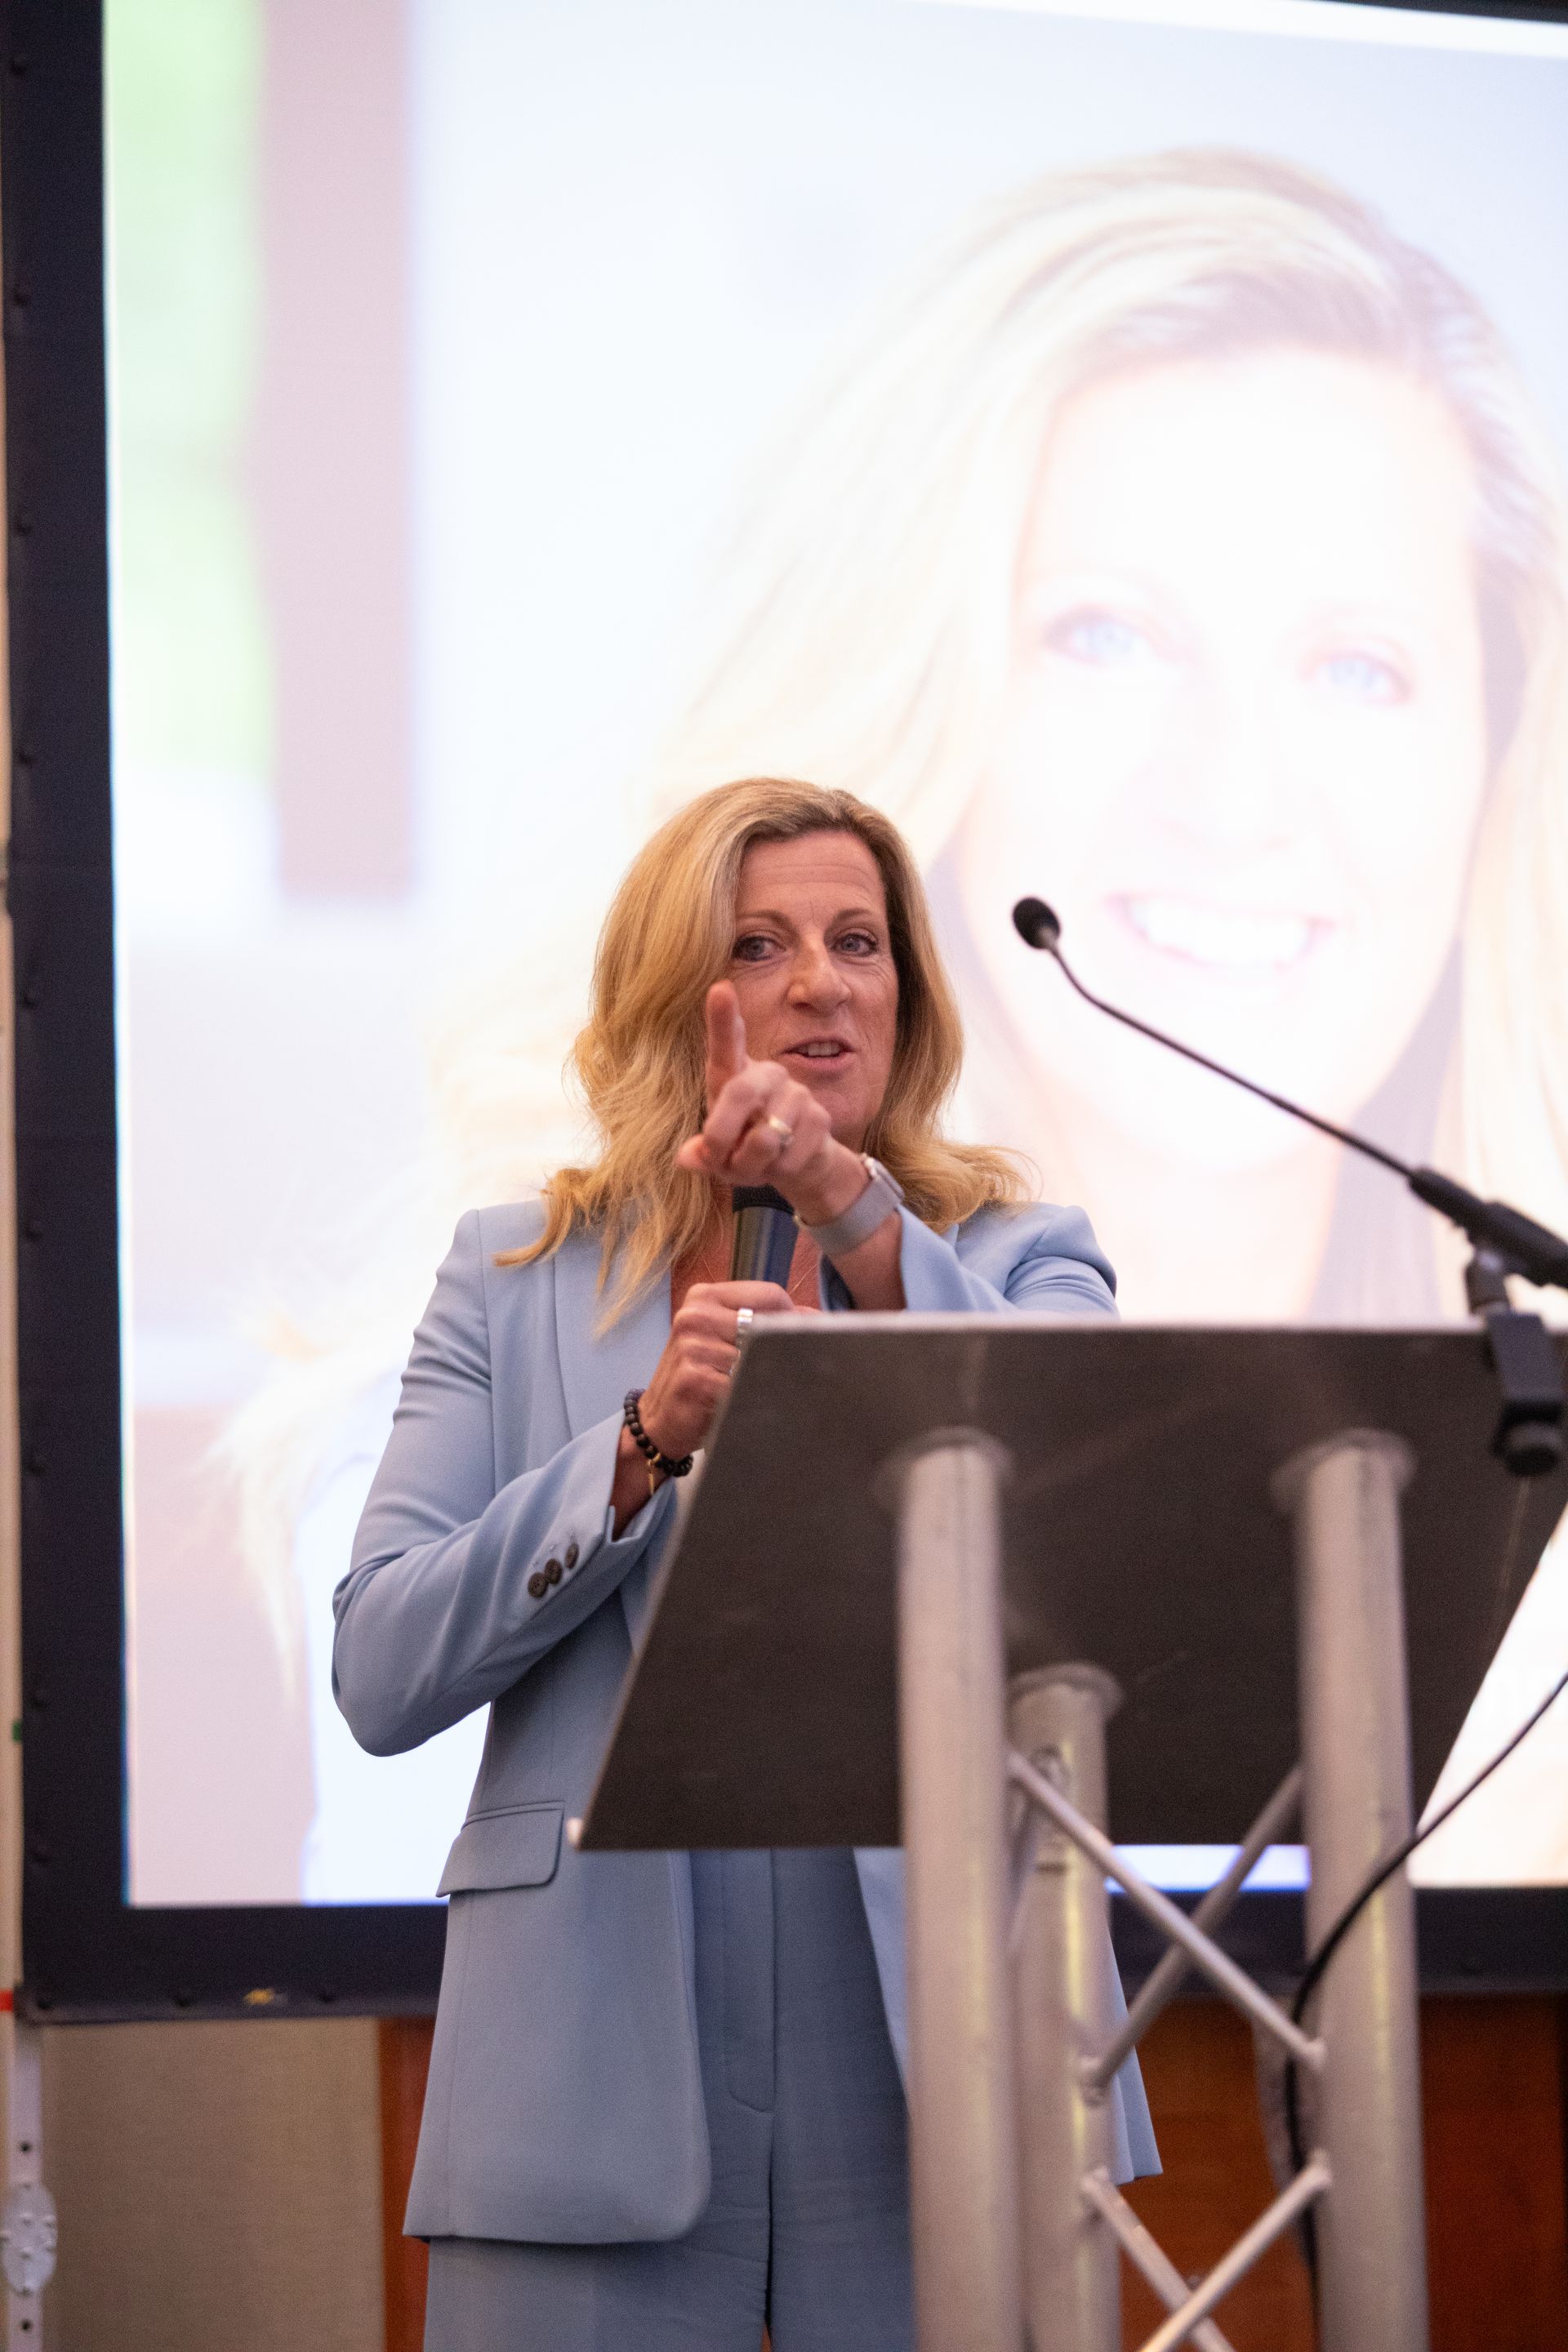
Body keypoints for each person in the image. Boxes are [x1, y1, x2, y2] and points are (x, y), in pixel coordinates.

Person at [639, 149, 1568, 1875]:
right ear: (929, 700)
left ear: (1493, 763)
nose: (1231, 796)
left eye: (1357, 668)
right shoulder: (597, 1397)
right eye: (1105, 637)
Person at [332, 777, 1157, 2351]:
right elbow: (379, 1667)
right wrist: (637, 1443)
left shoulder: (1019, 1254)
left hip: (940, 2030)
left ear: (904, 996)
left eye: (859, 941)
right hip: (589, 2037)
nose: (817, 981)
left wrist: (848, 1203)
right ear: (676, 995)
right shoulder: (514, 1281)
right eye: (761, 943)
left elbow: (1073, 1505)